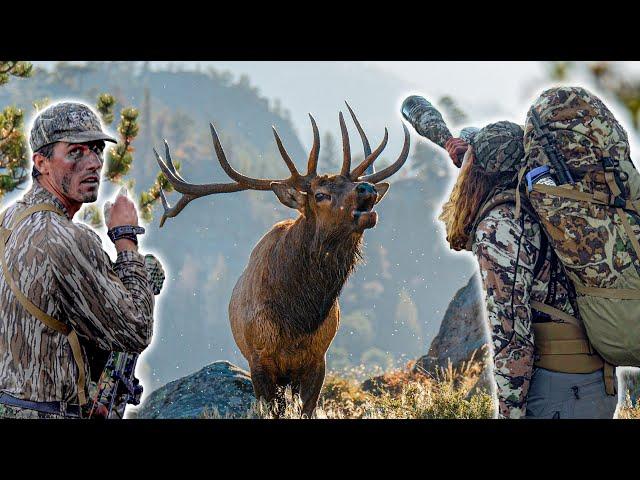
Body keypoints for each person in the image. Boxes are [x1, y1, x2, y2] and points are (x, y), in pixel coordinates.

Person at [439, 121, 618, 419]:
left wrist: (510, 413)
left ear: (480, 173)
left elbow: (512, 338)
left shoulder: (501, 226)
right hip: (598, 385)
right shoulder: (555, 204)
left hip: (555, 392)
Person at [0, 101, 163, 419]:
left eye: (97, 149)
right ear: (42, 162)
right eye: (75, 152)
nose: (93, 163)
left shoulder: (8, 220)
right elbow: (136, 330)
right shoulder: (68, 239)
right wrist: (126, 238)